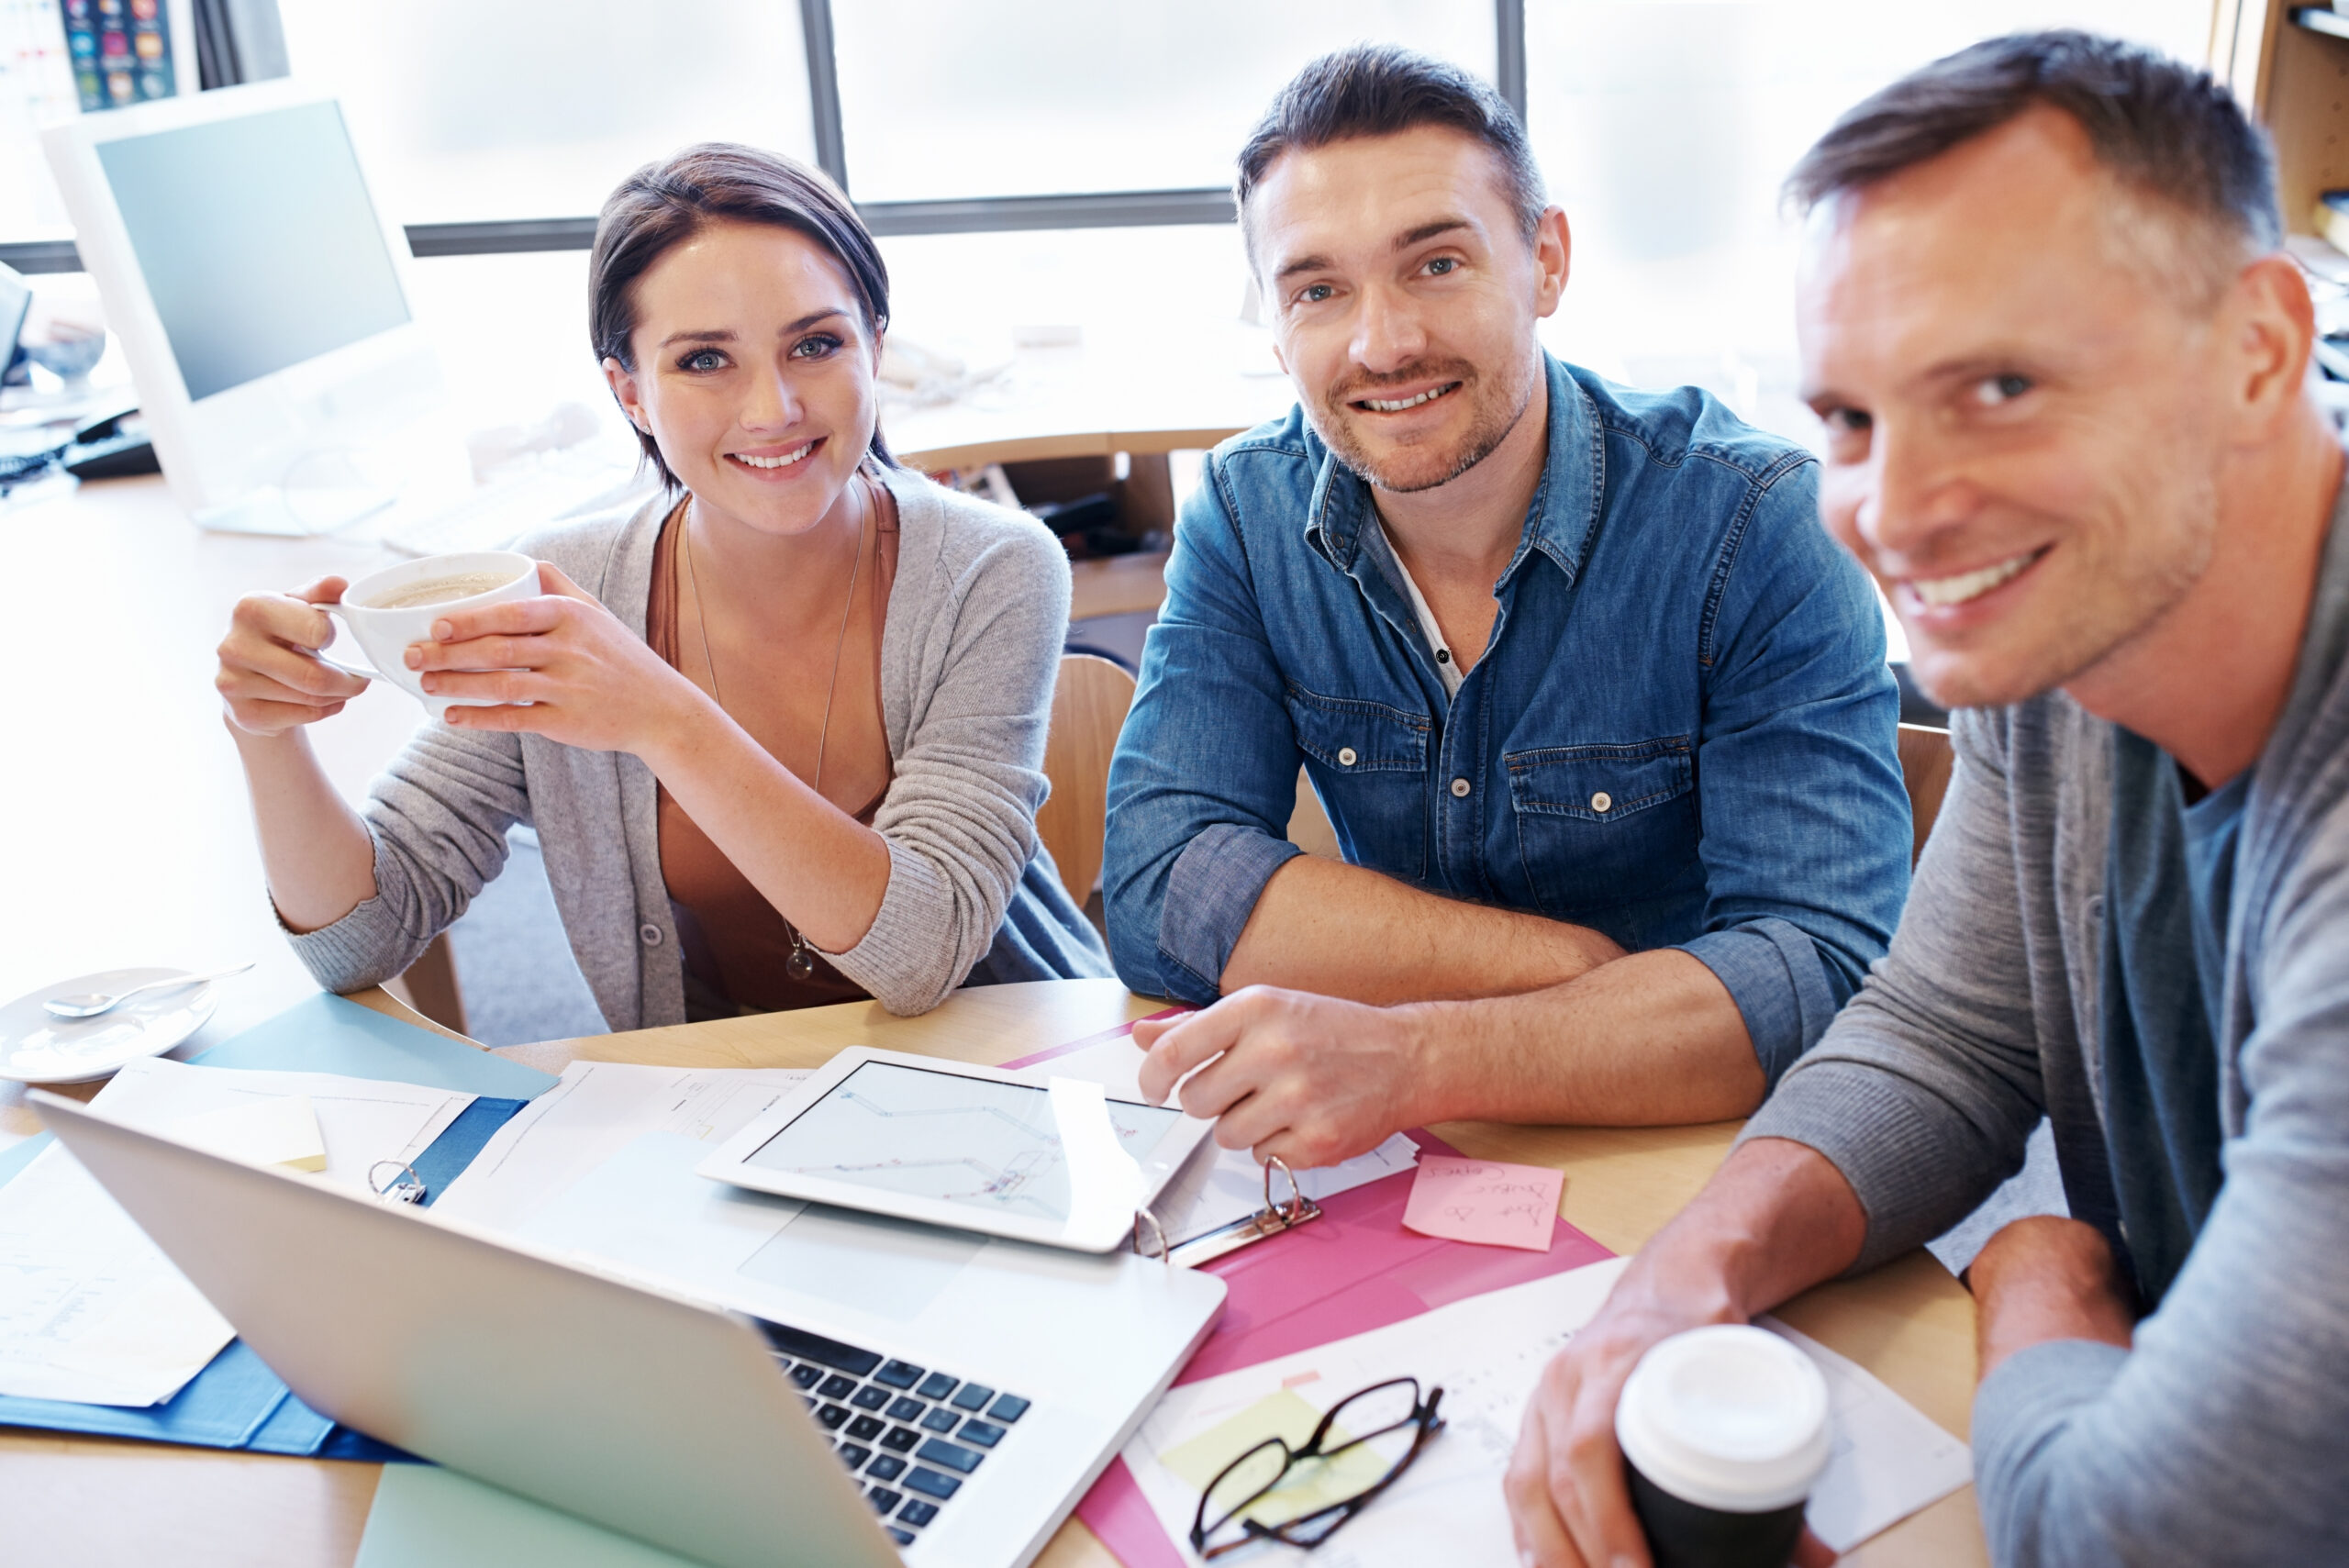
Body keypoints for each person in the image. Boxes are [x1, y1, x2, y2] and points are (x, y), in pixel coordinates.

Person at [1505, 33, 2349, 1567]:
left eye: (2002, 384)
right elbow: (1948, 1031)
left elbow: (2149, 1530)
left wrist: (2039, 1280)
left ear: (2261, 346)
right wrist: (1682, 1277)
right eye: (1850, 418)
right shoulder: (2073, 646)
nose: (1892, 507)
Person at [1105, 46, 1911, 1169]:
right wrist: (1578, 975)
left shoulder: (1751, 521)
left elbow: (1820, 971)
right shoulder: (1246, 511)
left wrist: (1420, 1053)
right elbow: (1159, 881)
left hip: (1683, 1145)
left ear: (1545, 260)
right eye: (1318, 289)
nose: (1381, 343)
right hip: (1391, 1144)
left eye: (1435, 263)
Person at [213, 143, 1110, 1027]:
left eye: (816, 343)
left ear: (876, 346)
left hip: (1002, 1062)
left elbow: (921, 956)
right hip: (718, 1103)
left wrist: (660, 716)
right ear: (629, 391)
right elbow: (358, 940)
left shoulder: (992, 567)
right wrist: (265, 732)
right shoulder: (566, 588)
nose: (772, 408)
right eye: (704, 360)